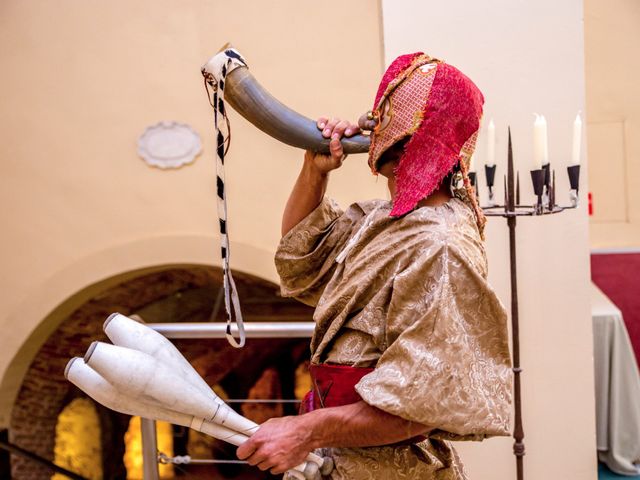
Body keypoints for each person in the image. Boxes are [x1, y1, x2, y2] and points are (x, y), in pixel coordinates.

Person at [236, 52, 513, 479]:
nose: (369, 125)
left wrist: (305, 432)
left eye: (383, 117)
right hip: (342, 458)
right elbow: (302, 259)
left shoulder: (440, 246)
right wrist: (315, 169)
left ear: (414, 137)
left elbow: (423, 404)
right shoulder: (385, 218)